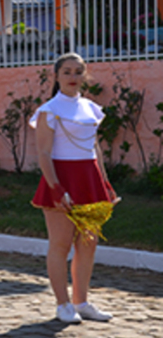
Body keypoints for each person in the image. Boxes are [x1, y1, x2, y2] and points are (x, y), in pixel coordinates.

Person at [30, 52, 116, 324]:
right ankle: (63, 304)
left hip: (89, 180)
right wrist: (56, 188)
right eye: (66, 72)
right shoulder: (49, 110)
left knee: (88, 243)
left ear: (85, 76)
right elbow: (44, 153)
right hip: (61, 177)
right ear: (56, 76)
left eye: (78, 72)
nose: (73, 77)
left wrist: (104, 182)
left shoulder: (91, 108)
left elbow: (94, 148)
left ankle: (82, 301)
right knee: (60, 243)